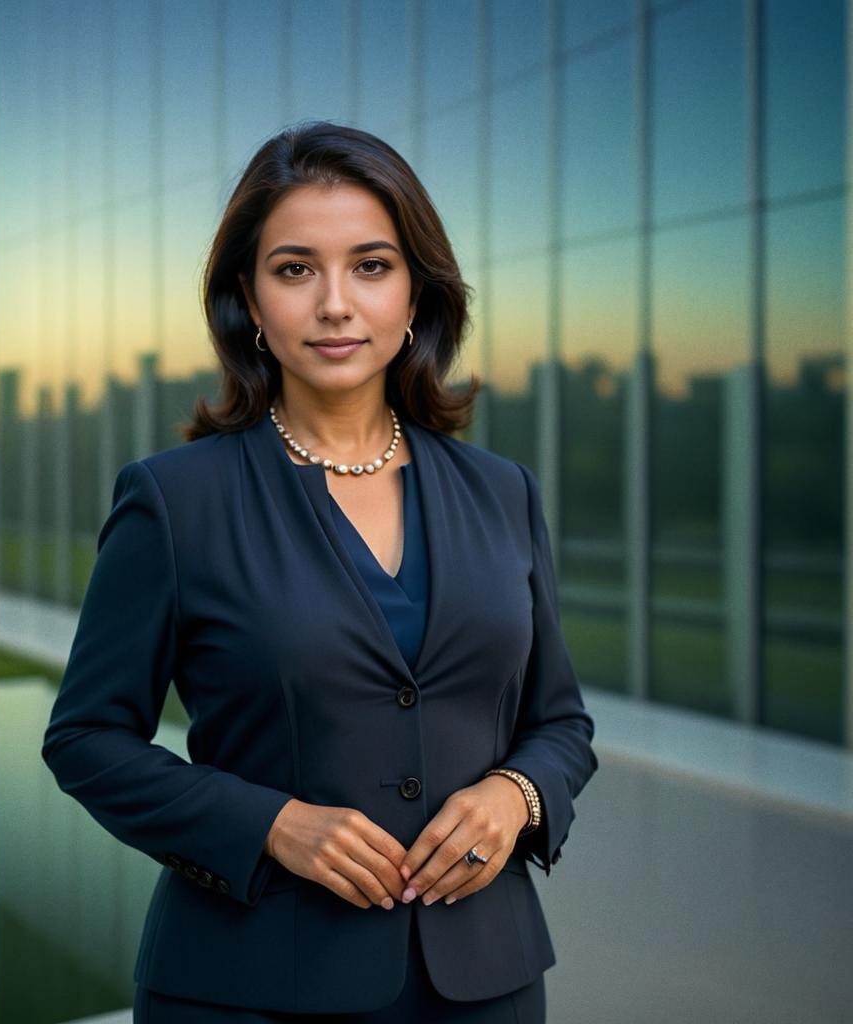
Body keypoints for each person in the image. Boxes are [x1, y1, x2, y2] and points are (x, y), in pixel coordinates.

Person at [41, 120, 598, 1023]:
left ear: (416, 293)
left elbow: (560, 721)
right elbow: (85, 740)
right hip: (247, 985)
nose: (336, 303)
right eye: (296, 269)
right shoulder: (174, 501)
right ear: (250, 303)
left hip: (485, 982)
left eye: (371, 266)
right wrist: (268, 825)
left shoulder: (501, 492)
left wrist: (518, 792)